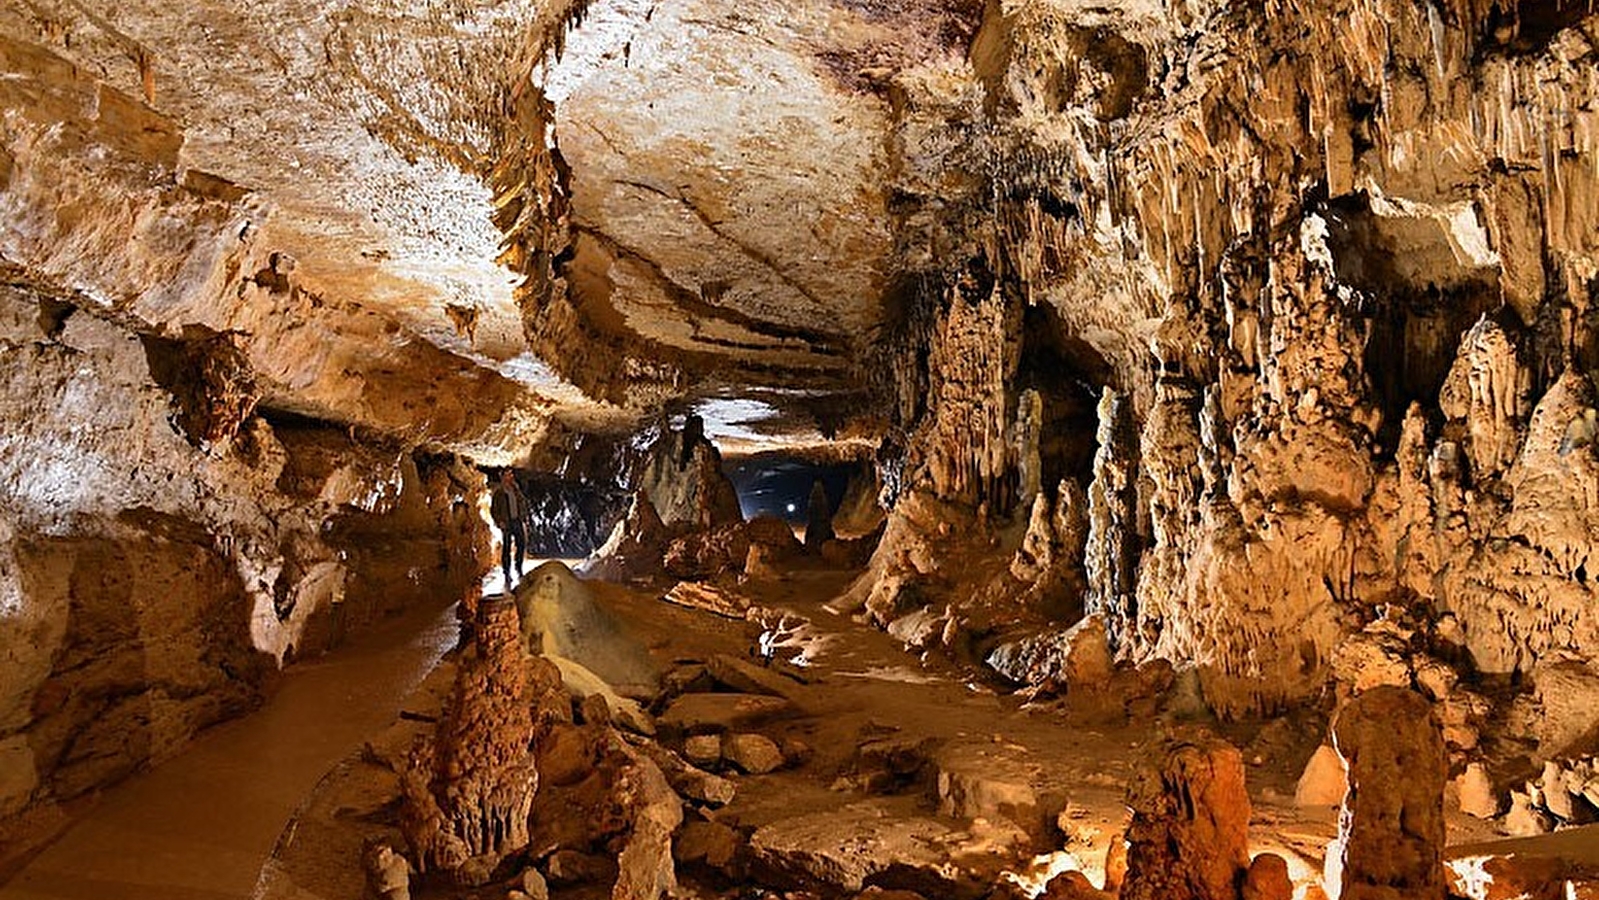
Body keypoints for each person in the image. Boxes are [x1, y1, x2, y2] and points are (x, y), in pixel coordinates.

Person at [490, 468, 529, 591]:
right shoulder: (499, 493)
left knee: (521, 544)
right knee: (506, 548)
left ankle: (519, 568)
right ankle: (507, 573)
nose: (511, 476)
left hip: (516, 520)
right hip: (506, 523)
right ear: (503, 477)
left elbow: (522, 503)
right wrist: (499, 521)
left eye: (511, 474)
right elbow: (494, 510)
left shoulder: (515, 490)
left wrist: (523, 517)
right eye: (508, 475)